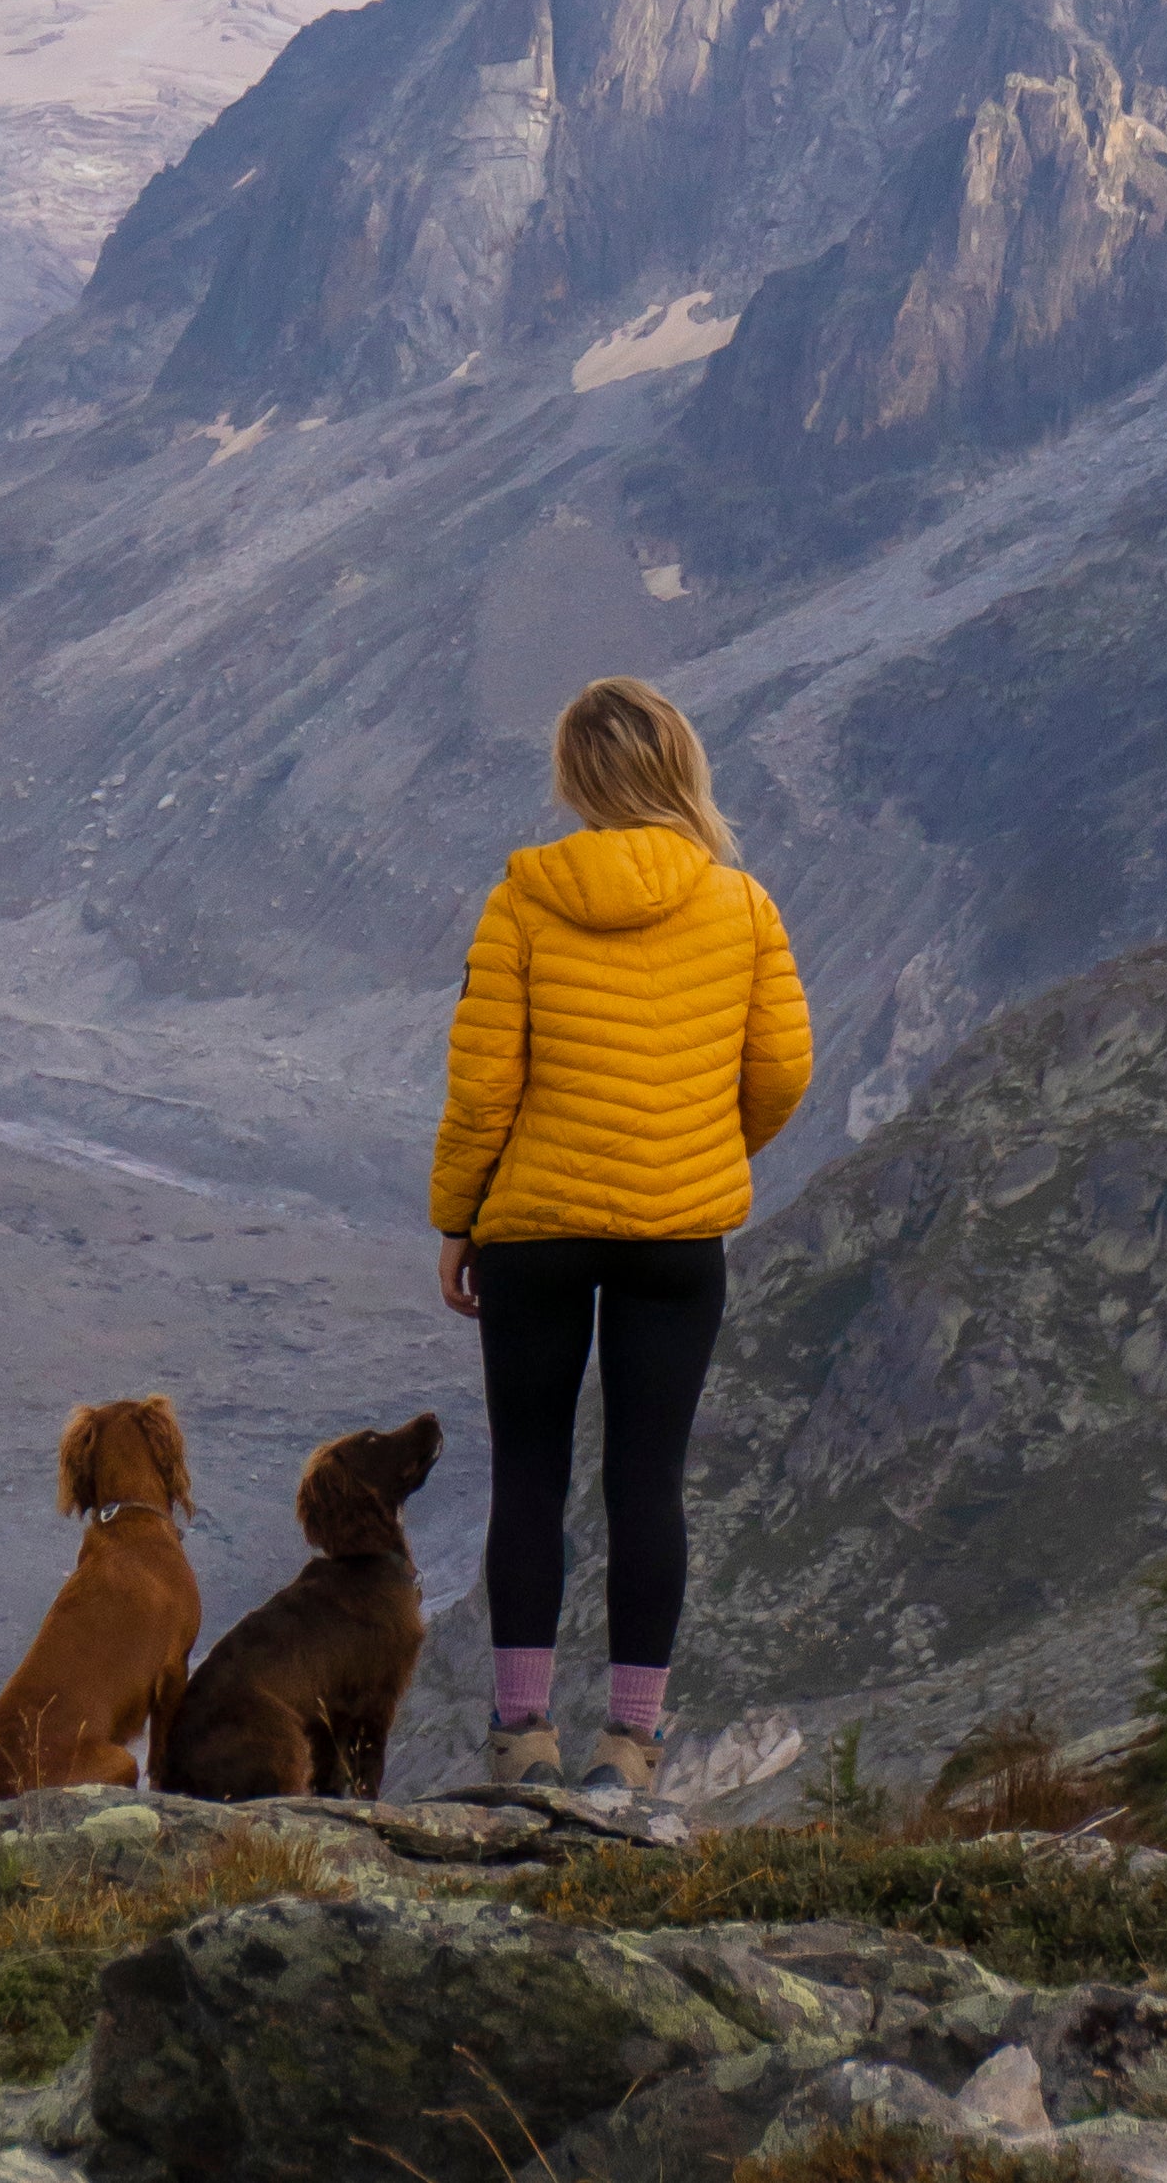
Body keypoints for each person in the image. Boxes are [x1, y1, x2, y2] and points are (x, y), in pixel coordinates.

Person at [430, 676, 813, 1795]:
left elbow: (482, 1085)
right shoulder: (742, 906)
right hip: (674, 1234)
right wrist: (700, 1146)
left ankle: (522, 1737)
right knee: (647, 1482)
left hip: (533, 1231)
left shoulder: (521, 901)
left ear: (575, 779)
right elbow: (782, 1071)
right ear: (680, 766)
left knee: (529, 1476)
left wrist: (458, 1215)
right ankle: (630, 1750)